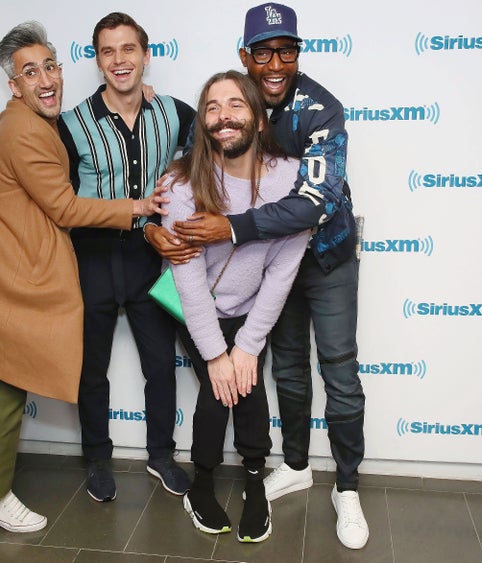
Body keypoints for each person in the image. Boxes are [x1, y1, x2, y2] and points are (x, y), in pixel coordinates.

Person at [0, 21, 163, 533]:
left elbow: (84, 125)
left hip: (8, 270)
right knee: (3, 385)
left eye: (51, 65)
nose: (46, 78)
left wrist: (142, 97)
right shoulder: (22, 130)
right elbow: (64, 206)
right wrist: (136, 206)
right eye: (31, 72)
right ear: (14, 85)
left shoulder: (39, 118)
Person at [145, 3, 369, 550]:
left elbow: (310, 205)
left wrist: (229, 228)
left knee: (336, 369)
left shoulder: (320, 113)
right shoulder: (221, 120)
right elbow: (189, 157)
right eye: (262, 52)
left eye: (285, 50)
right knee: (283, 373)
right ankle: (291, 466)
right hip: (252, 279)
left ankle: (348, 487)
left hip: (324, 257)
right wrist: (154, 223)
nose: (273, 62)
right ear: (245, 56)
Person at [164, 70, 310, 543]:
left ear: (258, 118)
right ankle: (201, 483)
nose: (223, 116)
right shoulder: (182, 183)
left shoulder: (291, 179)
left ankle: (253, 481)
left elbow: (282, 270)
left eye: (235, 105)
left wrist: (247, 346)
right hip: (201, 305)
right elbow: (187, 279)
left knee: (244, 383)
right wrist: (216, 354)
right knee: (218, 385)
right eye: (211, 107)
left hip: (252, 305)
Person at [57, 12, 196, 502]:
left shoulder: (174, 112)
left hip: (147, 254)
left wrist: (179, 170)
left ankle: (161, 455)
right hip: (91, 254)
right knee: (90, 368)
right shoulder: (71, 124)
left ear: (145, 54)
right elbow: (60, 199)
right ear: (97, 62)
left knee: (160, 365)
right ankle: (97, 457)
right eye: (108, 51)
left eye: (128, 49)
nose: (120, 60)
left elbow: (210, 152)